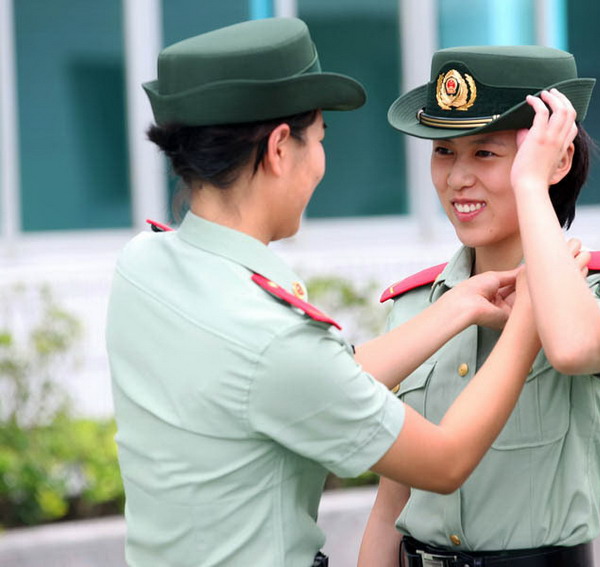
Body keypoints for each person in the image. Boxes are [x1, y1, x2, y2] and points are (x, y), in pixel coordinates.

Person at [105, 18, 547, 567]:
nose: (321, 163)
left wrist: (456, 306)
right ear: (279, 149)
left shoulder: (143, 265)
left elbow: (315, 383)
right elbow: (445, 461)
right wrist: (528, 320)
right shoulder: (271, 337)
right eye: (319, 140)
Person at [358, 45, 600, 567]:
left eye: (485, 153)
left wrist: (530, 183)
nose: (456, 178)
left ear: (555, 160)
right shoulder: (413, 306)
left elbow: (572, 348)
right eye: (444, 152)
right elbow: (391, 503)